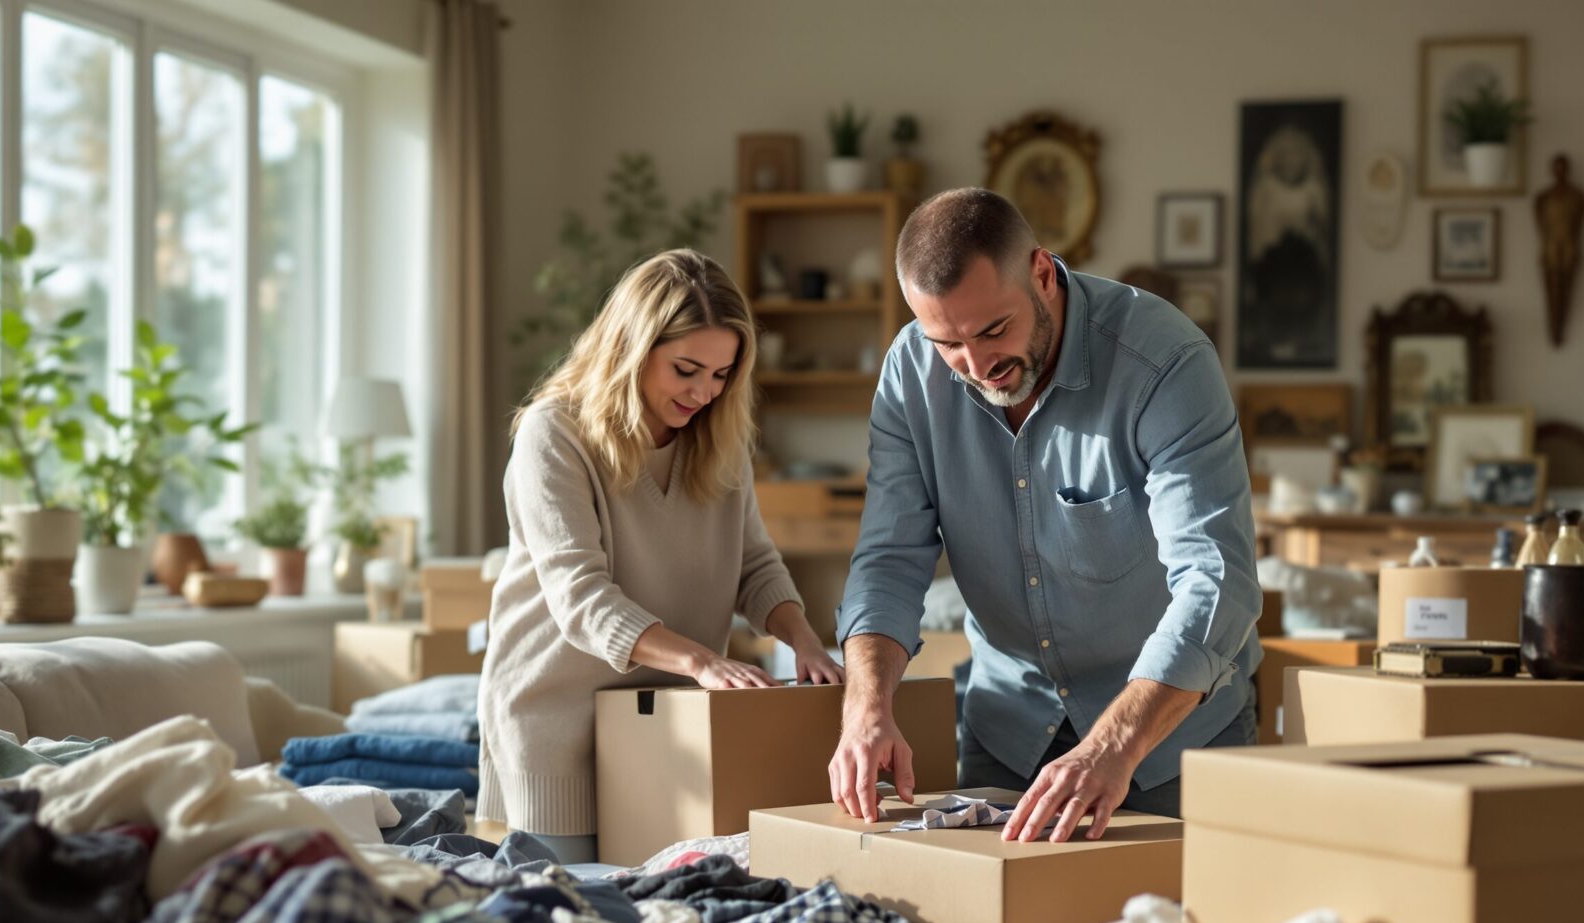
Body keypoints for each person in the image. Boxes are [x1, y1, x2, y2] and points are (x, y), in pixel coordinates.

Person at [829, 188, 1261, 844]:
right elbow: (888, 559)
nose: (978, 367)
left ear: (1041, 271)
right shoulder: (910, 373)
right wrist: (866, 707)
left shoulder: (1164, 361)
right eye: (948, 343)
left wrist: (1110, 745)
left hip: (1171, 743)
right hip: (1008, 737)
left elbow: (1217, 580)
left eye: (994, 330)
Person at [478, 250, 842, 863]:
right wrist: (702, 662)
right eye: (686, 369)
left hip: (674, 730)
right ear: (630, 348)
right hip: (556, 730)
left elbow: (755, 565)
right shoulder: (555, 434)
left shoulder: (720, 440)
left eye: (722, 374)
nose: (705, 391)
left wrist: (805, 642)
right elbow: (580, 598)